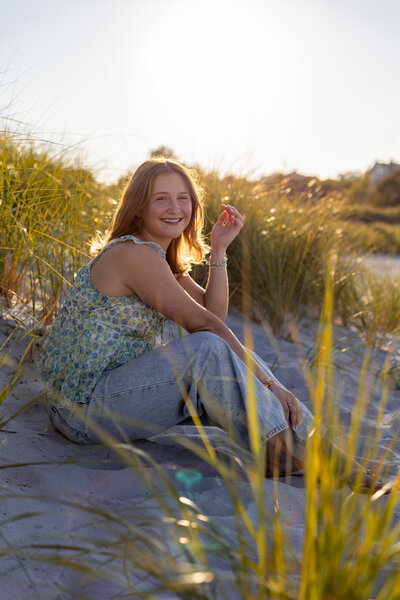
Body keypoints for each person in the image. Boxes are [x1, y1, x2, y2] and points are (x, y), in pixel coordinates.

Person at [41, 157, 389, 492]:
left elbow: (212, 312)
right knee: (209, 351)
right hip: (80, 411)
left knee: (223, 361)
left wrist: (219, 250)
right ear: (138, 207)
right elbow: (208, 327)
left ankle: (311, 449)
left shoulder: (158, 259)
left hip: (109, 397)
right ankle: (293, 454)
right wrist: (272, 384)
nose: (175, 208)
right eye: (160, 199)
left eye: (183, 198)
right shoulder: (135, 255)